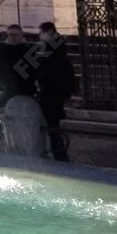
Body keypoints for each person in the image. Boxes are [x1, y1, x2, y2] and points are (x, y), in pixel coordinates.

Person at [33, 21, 77, 162]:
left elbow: (48, 68)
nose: (39, 36)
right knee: (51, 124)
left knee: (52, 124)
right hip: (52, 90)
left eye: (41, 33)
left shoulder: (53, 47)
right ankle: (57, 152)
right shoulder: (55, 46)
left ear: (49, 32)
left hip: (51, 91)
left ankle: (58, 153)